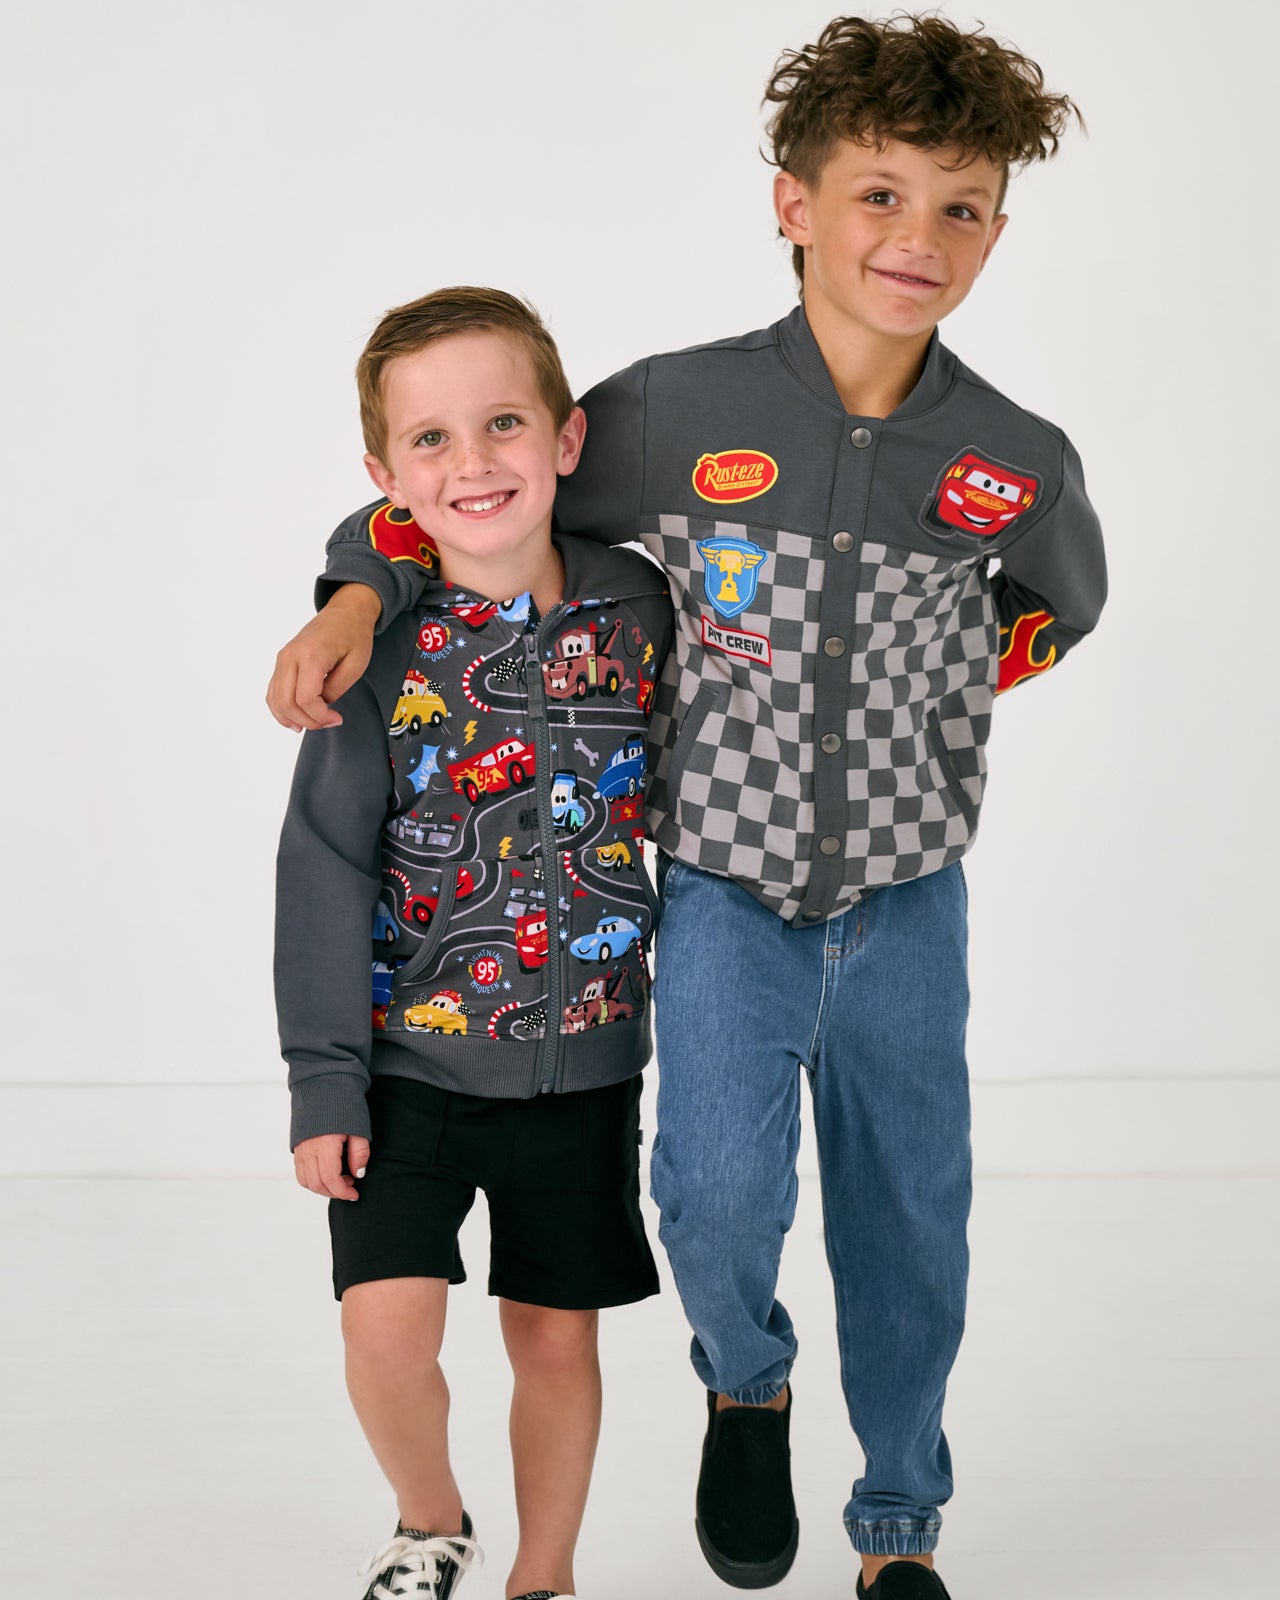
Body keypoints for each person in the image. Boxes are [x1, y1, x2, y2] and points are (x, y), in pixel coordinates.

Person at [269, 17, 1106, 1599]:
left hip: (910, 901)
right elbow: (464, 492)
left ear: (998, 229)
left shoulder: (1012, 454)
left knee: (908, 1221)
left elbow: (1066, 601)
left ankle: (900, 1524)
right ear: (795, 204)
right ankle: (747, 1380)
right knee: (713, 1203)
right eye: (878, 194)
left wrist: (948, 693)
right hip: (722, 890)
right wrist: (356, 595)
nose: (917, 237)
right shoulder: (671, 412)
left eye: (961, 206)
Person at [275, 285, 673, 1600]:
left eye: (503, 423)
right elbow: (323, 868)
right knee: (385, 1327)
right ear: (386, 479)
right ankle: (430, 1521)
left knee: (555, 1344)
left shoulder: (640, 609)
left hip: (583, 1067)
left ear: (565, 438)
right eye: (430, 439)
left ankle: (544, 1577)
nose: (473, 461)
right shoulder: (375, 650)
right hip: (407, 1068)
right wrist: (324, 1080)